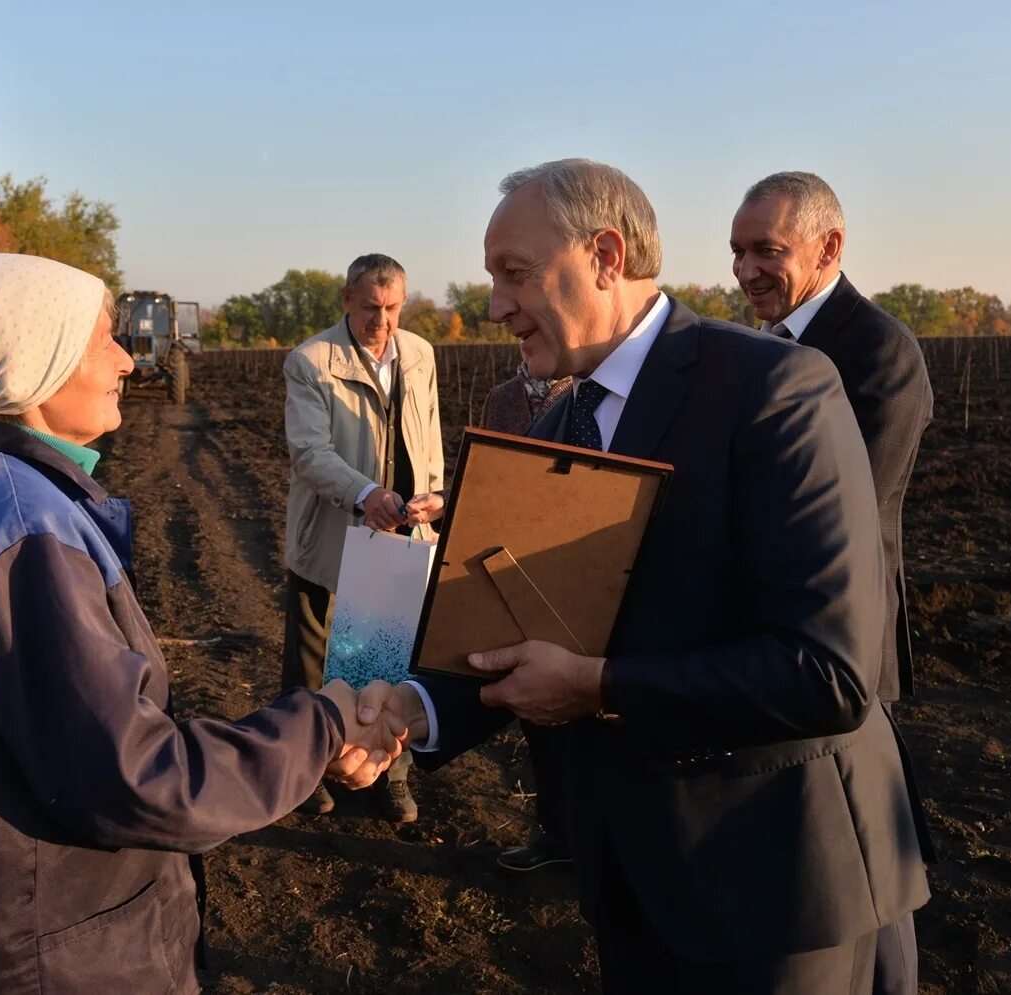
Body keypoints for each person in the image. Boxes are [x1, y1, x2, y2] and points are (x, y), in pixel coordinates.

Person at [367, 159, 931, 994]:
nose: (494, 306)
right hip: (631, 882)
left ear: (604, 254)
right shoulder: (553, 425)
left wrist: (600, 685)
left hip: (775, 887)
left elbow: (828, 670)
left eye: (514, 273)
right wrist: (405, 710)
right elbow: (501, 630)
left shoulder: (772, 388)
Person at [0, 254, 402, 994]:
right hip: (55, 954)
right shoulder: (16, 526)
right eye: (101, 341)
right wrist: (327, 723)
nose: (124, 359)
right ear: (34, 368)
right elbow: (137, 776)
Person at [731, 171, 935, 995]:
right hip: (774, 643)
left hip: (840, 640)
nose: (745, 269)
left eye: (766, 250)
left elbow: (840, 519)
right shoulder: (759, 349)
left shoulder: (877, 350)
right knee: (819, 849)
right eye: (737, 251)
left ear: (829, 248)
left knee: (868, 853)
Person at [281, 253, 443, 821]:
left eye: (393, 307)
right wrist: (365, 495)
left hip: (403, 536)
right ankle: (306, 775)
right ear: (347, 300)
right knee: (311, 665)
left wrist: (436, 496)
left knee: (391, 662)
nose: (382, 320)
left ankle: (393, 776)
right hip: (329, 537)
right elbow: (308, 453)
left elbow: (431, 436)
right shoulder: (311, 362)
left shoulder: (420, 354)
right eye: (371, 307)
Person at [476, 366, 575, 874]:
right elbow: (486, 479)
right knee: (539, 717)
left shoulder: (582, 391)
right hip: (511, 565)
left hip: (572, 568)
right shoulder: (502, 398)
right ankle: (557, 832)